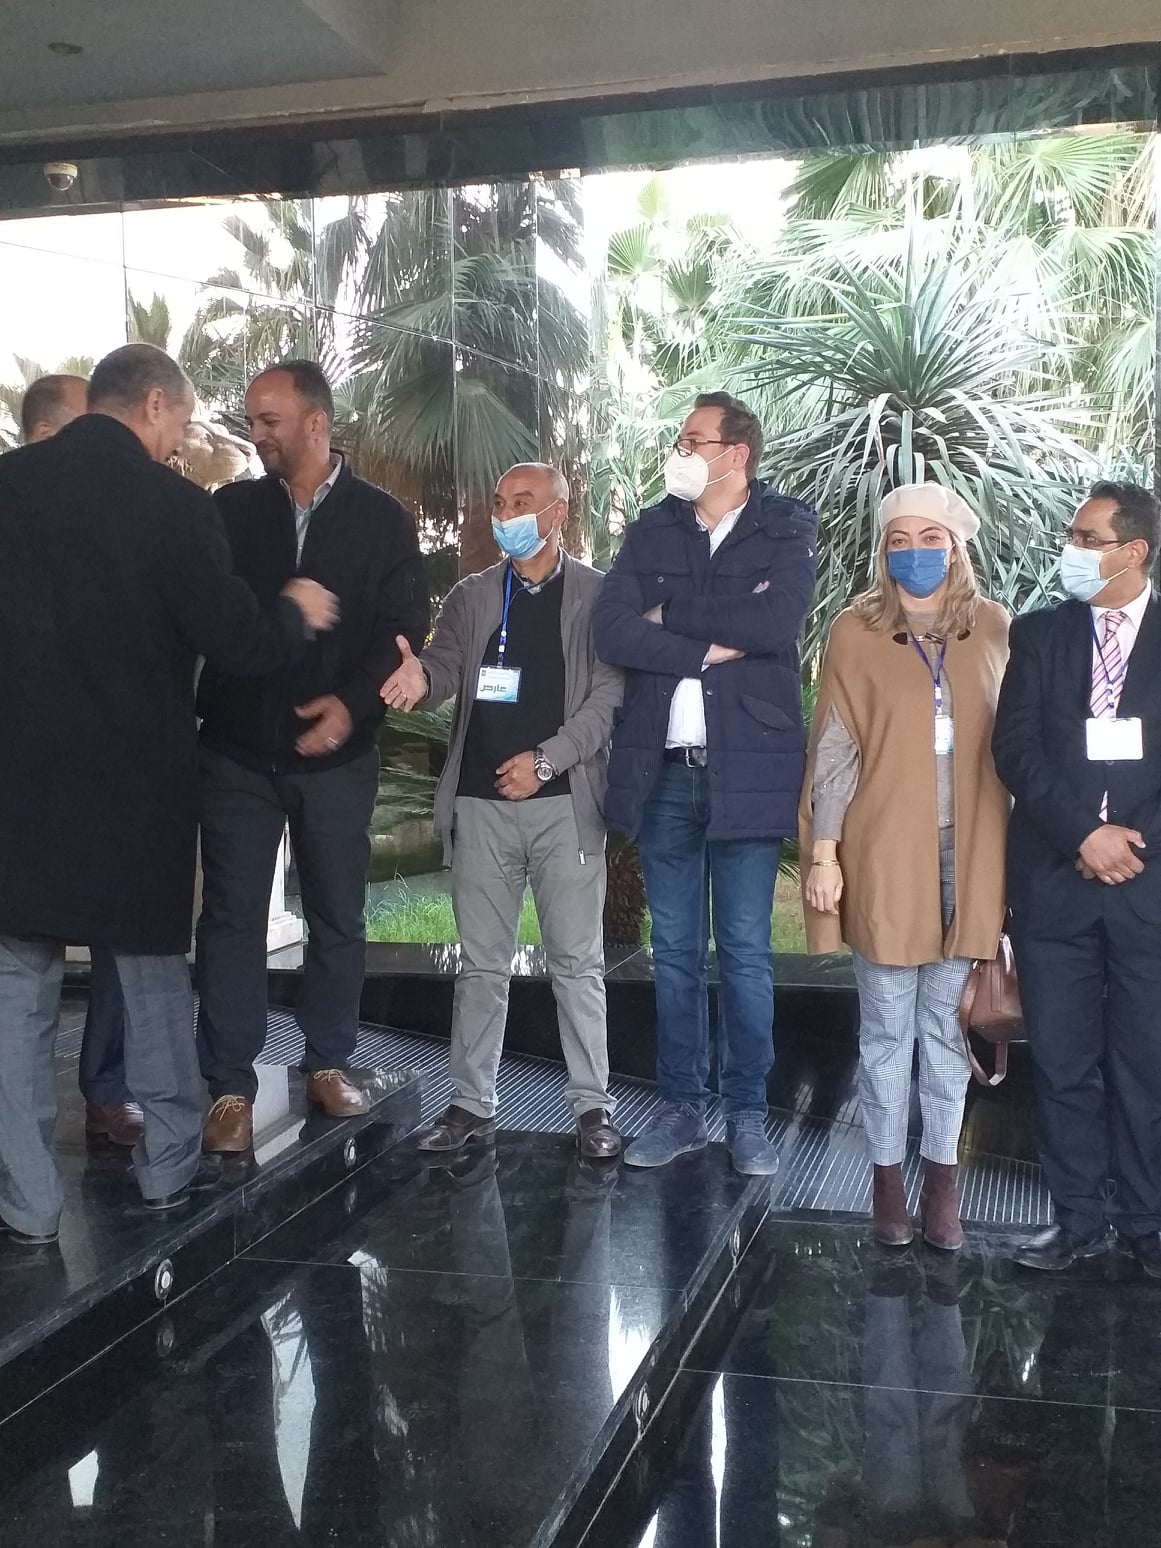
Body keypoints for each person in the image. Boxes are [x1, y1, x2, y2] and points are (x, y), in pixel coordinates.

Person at [0, 343, 337, 1242]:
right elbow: (236, 641)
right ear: (153, 404)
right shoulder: (175, 506)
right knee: (151, 987)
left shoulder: (8, 487)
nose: (180, 440)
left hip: (18, 791)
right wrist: (294, 612)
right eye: (181, 422)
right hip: (133, 792)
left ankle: (28, 1203)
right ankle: (167, 1174)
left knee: (17, 996)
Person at [195, 360, 428, 1153]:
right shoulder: (229, 511)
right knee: (230, 919)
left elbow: (403, 631)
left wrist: (350, 707)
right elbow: (213, 618)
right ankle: (229, 1086)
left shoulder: (382, 519)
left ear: (316, 423)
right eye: (252, 420)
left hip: (337, 760)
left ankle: (328, 1060)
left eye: (270, 420)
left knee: (336, 914)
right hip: (235, 753)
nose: (256, 434)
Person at [592, 391, 817, 1175]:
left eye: (694, 439)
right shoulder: (652, 526)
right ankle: (681, 1107)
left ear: (736, 454)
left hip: (747, 769)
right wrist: (703, 645)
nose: (680, 450)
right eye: (680, 438)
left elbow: (775, 623)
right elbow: (609, 627)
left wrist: (669, 615)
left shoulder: (784, 523)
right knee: (677, 952)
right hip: (663, 772)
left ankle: (747, 1114)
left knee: (746, 952)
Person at [380, 463, 623, 1158]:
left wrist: (546, 760)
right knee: (481, 967)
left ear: (558, 513)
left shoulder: (598, 596)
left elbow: (609, 697)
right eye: (499, 503)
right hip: (480, 808)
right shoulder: (474, 595)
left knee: (577, 964)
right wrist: (420, 677)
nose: (507, 515)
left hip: (563, 807)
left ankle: (593, 1110)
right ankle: (470, 1104)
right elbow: (446, 668)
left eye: (523, 503)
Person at [800, 485, 1010, 1250]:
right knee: (887, 1033)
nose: (913, 552)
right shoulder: (854, 631)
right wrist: (824, 853)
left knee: (949, 1033)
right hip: (884, 855)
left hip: (972, 859)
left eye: (929, 538)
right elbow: (833, 750)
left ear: (955, 548)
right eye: (898, 539)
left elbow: (1018, 742)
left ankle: (941, 1182)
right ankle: (885, 1180)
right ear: (881, 550)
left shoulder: (992, 627)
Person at [992, 481, 1161, 1278]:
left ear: (1134, 551)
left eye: (1088, 539)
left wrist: (1132, 845)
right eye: (1072, 536)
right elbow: (1014, 748)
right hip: (1054, 882)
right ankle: (1076, 1220)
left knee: (1144, 1063)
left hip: (1147, 886)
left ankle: (1146, 1222)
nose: (1072, 550)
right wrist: (1083, 835)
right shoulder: (1039, 634)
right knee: (1061, 1060)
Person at [16, 373, 142, 1150]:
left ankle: (106, 1089)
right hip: (25, 771)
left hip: (104, 765)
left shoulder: (115, 518)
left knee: (115, 936)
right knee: (22, 960)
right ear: (49, 436)